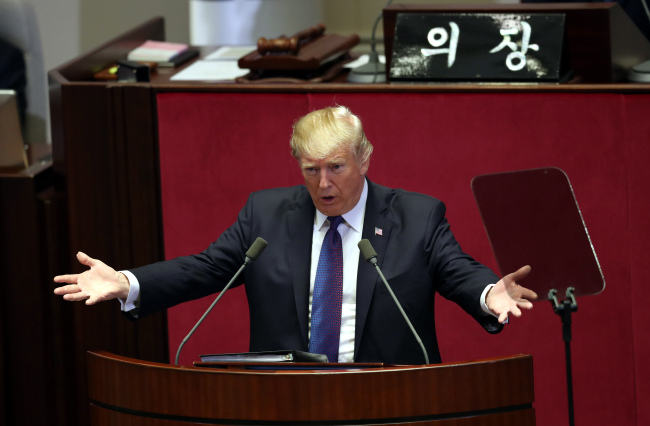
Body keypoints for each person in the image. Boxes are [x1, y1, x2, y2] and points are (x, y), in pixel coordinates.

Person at [54, 105, 537, 365]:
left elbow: (456, 270)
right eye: (311, 170)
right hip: (285, 402)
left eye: (336, 167)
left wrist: (489, 292)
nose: (324, 184)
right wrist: (127, 282)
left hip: (389, 403)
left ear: (364, 159)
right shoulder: (266, 215)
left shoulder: (416, 216)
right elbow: (205, 268)